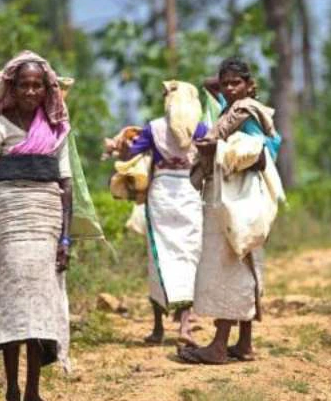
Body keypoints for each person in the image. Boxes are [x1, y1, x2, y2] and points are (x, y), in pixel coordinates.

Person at [0, 51, 72, 401]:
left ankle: (33, 392)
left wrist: (65, 238)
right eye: (24, 85)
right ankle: (11, 393)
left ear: (47, 88)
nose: (31, 92)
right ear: (11, 87)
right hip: (9, 220)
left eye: (37, 85)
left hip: (45, 221)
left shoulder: (57, 127)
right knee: (13, 305)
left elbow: (67, 185)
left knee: (39, 307)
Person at [179, 57, 282, 365]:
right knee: (245, 262)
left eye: (235, 82)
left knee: (229, 263)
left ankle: (219, 345)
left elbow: (263, 153)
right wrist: (233, 88)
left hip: (240, 195)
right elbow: (209, 85)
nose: (227, 88)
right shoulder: (233, 108)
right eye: (225, 83)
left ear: (250, 85)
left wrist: (216, 150)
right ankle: (244, 344)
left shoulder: (246, 112)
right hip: (236, 192)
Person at [117, 81, 208, 346]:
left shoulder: (154, 128)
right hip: (190, 193)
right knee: (189, 257)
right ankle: (185, 327)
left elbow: (129, 153)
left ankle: (158, 328)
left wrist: (119, 143)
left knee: (159, 258)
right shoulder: (200, 129)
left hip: (161, 195)